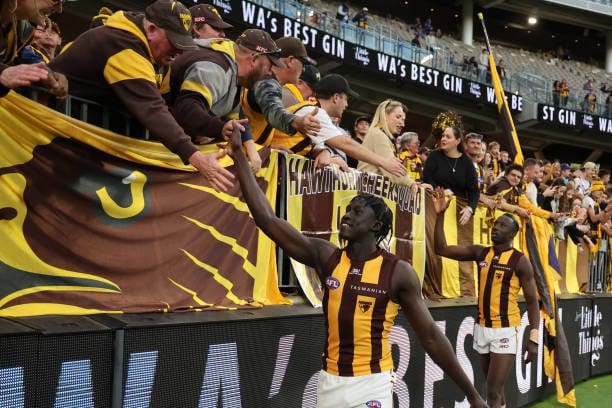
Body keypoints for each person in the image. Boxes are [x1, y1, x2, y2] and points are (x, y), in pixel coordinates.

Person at [226, 125, 488, 408]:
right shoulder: (327, 257)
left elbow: (432, 338)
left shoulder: (397, 271)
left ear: (375, 226)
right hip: (329, 382)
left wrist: (473, 395)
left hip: (371, 385)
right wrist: (239, 156)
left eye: (356, 212)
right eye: (348, 210)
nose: (346, 216)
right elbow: (268, 221)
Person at [49, 0, 239, 191]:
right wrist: (197, 158)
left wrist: (213, 129)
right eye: (174, 41)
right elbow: (153, 110)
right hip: (51, 139)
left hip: (82, 145)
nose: (179, 51)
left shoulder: (160, 57)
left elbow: (167, 107)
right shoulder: (122, 43)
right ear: (151, 29)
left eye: (183, 43)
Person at [433, 188, 540, 408]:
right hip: (482, 328)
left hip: (505, 330)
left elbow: (532, 302)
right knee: (496, 391)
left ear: (512, 234)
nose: (496, 228)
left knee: (491, 390)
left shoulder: (520, 261)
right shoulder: (480, 252)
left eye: (502, 226)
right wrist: (440, 214)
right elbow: (441, 248)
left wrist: (534, 339)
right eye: (496, 224)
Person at [167, 29, 282, 173]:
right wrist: (218, 128)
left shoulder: (235, 69)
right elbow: (186, 109)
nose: (269, 72)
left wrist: (250, 148)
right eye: (269, 66)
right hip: (142, 131)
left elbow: (236, 115)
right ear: (253, 59)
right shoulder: (217, 68)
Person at [289, 74, 407, 177]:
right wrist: (384, 162)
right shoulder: (316, 112)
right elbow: (345, 144)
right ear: (336, 98)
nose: (346, 105)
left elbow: (317, 145)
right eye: (346, 99)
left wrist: (324, 152)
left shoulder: (314, 108)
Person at [240, 36, 321, 150]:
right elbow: (273, 110)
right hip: (230, 160)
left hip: (241, 153)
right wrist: (296, 121)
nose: (303, 70)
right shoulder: (266, 79)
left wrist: (268, 147)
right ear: (291, 61)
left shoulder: (265, 77)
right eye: (303, 63)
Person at [423, 111, 479, 225]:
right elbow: (427, 179)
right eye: (443, 136)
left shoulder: (467, 162)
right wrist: (440, 191)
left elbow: (474, 190)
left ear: (457, 141)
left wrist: (470, 209)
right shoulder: (434, 156)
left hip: (457, 217)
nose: (443, 139)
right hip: (435, 211)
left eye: (448, 137)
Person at [1, 0, 66, 97]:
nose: (59, 9)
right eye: (56, 0)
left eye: (63, 2)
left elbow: (20, 57)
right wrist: (2, 72)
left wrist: (43, 73)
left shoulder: (21, 28)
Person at [358, 99, 421, 189]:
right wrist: (412, 183)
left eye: (403, 120)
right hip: (368, 196)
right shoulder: (377, 134)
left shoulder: (381, 135)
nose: (402, 124)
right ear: (384, 115)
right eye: (398, 117)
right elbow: (393, 172)